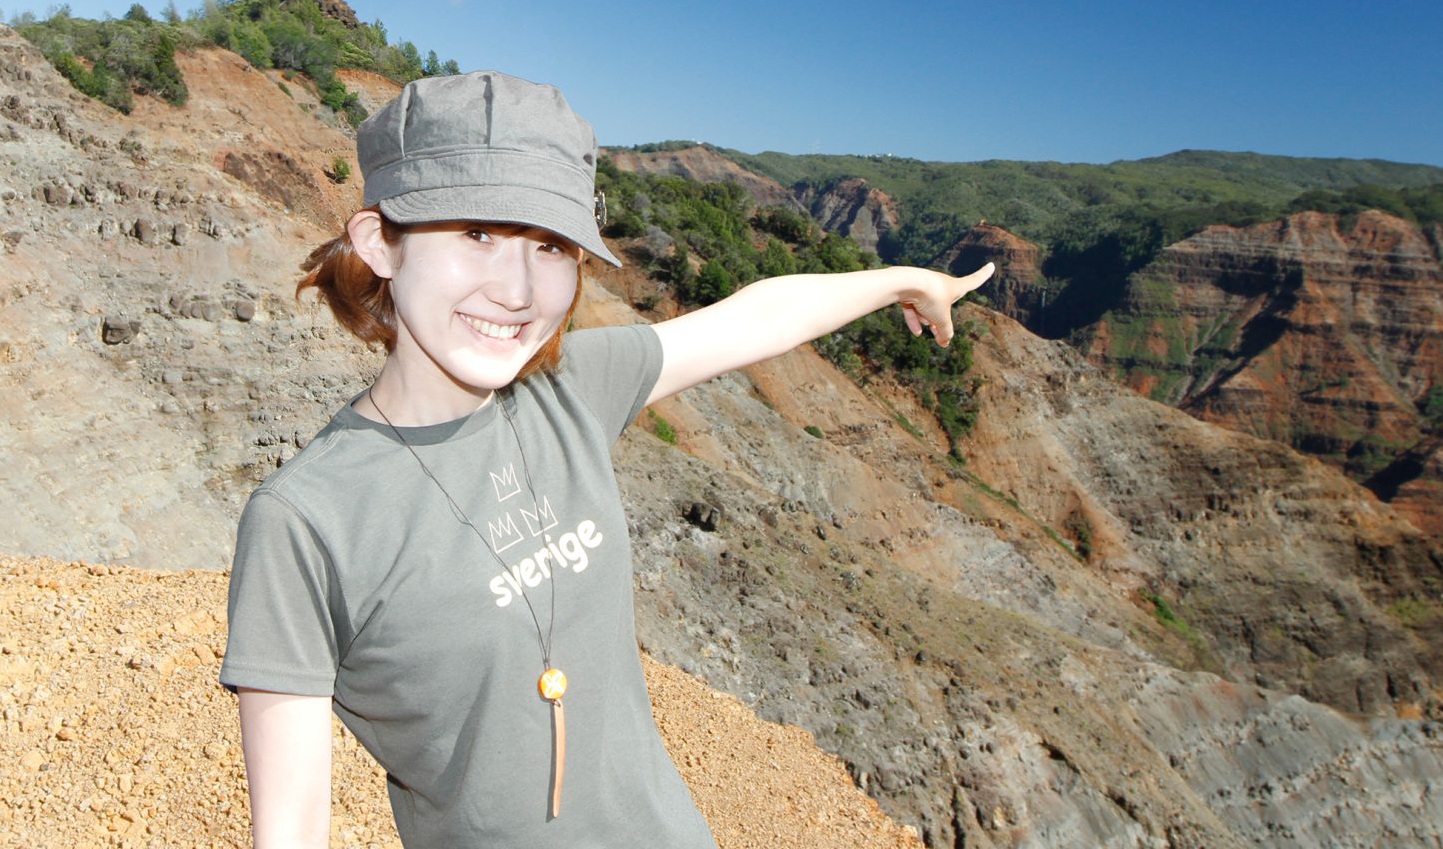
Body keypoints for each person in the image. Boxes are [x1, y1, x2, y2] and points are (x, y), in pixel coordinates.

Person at [219, 71, 993, 849]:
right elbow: (290, 830)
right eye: (477, 233)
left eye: (550, 246)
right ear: (379, 242)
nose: (518, 290)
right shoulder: (305, 521)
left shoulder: (571, 391)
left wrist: (903, 280)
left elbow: (753, 318)